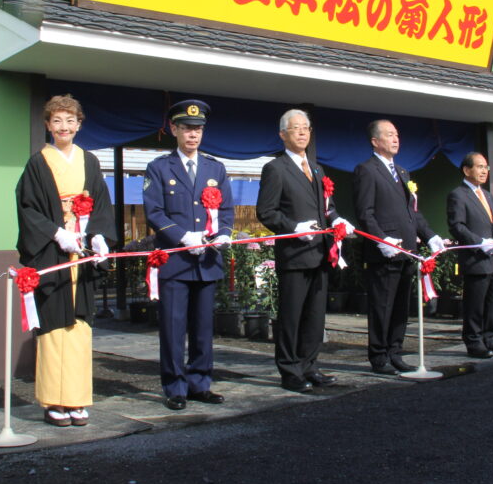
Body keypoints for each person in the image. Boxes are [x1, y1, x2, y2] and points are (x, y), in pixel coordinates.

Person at [16, 95, 115, 427]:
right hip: (53, 250)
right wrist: (56, 233)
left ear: (79, 124)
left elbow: (100, 201)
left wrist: (99, 235)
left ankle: (77, 399)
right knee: (54, 326)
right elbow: (28, 208)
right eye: (57, 121)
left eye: (70, 121)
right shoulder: (38, 163)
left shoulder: (90, 161)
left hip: (82, 249)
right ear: (47, 125)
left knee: (79, 327)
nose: (64, 127)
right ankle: (53, 400)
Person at [142, 100, 234, 410]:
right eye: (186, 129)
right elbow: (154, 212)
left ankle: (200, 383)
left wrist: (223, 234)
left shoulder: (215, 168)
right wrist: (183, 236)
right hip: (176, 260)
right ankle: (175, 386)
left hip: (206, 261)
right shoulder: (159, 168)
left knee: (203, 328)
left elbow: (226, 210)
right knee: (173, 326)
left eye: (198, 130)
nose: (192, 135)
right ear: (174, 130)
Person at [255, 109, 352, 393]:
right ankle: (290, 370)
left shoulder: (317, 168)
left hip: (321, 254)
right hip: (295, 255)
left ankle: (310, 365)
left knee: (315, 316)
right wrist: (292, 227)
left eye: (306, 128)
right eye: (295, 128)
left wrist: (336, 219)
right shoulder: (275, 168)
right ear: (282, 134)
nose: (302, 132)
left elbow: (327, 206)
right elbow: (266, 211)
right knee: (292, 316)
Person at [353, 120, 444, 374]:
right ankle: (379, 356)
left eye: (397, 135)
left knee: (401, 307)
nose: (396, 139)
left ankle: (396, 351)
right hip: (385, 253)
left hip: (407, 252)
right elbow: (365, 213)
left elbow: (411, 213)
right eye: (389, 135)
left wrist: (430, 236)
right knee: (382, 305)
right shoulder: (366, 170)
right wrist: (381, 240)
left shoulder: (403, 172)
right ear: (375, 141)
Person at [446, 152, 493, 358]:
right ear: (466, 170)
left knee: (492, 303)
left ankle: (490, 339)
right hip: (476, 258)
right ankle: (474, 342)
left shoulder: (487, 195)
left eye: (486, 167)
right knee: (475, 304)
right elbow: (457, 226)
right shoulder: (458, 195)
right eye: (479, 167)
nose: (484, 171)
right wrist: (479, 243)